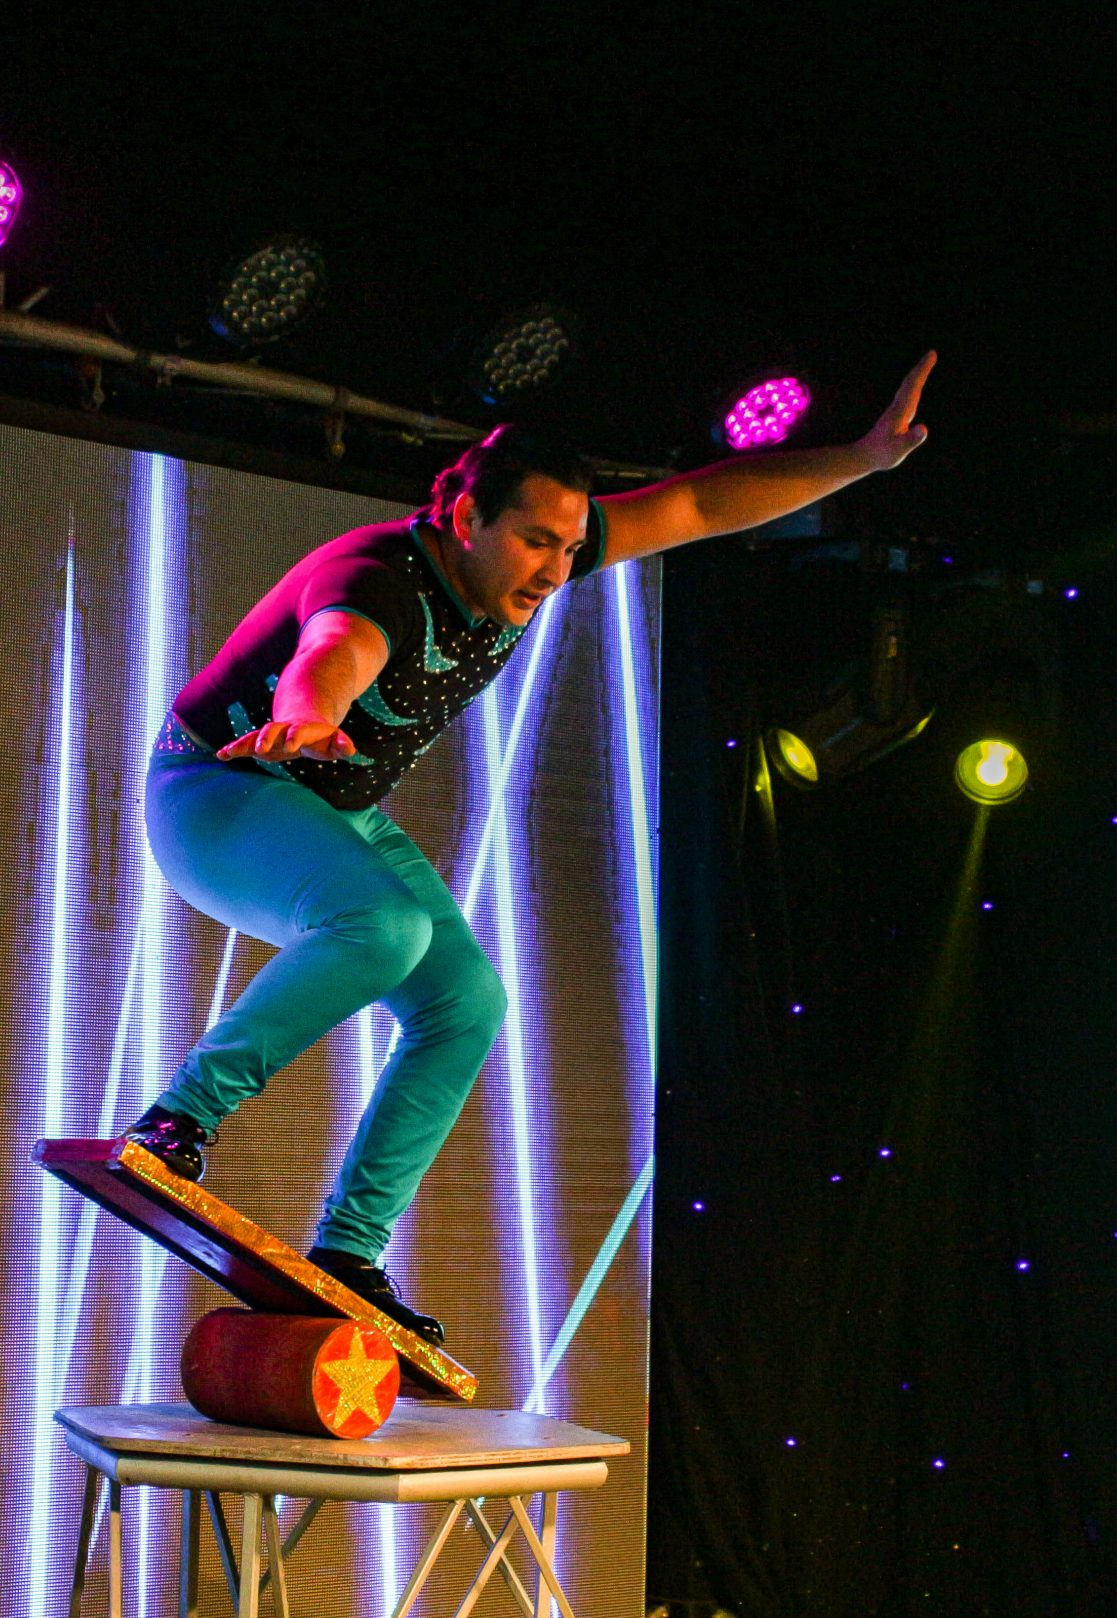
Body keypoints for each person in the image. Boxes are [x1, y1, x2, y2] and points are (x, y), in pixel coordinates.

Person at [129, 352, 940, 1343]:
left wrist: (859, 460)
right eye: (535, 543)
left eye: (569, 547)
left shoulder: (538, 558)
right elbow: (335, 649)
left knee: (467, 1003)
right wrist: (310, 711)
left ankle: (349, 1250)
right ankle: (177, 1120)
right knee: (382, 928)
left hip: (333, 808)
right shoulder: (378, 579)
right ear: (466, 515)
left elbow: (698, 505)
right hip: (215, 791)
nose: (556, 572)